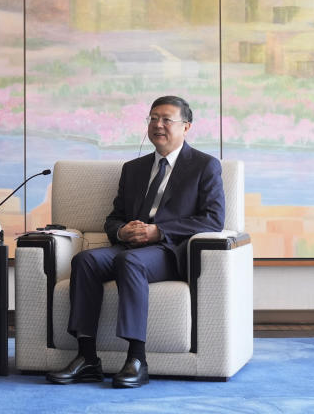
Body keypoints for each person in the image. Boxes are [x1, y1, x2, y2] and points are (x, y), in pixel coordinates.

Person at [46, 95, 225, 389]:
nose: (158, 125)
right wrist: (121, 231)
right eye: (153, 118)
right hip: (129, 247)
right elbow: (113, 218)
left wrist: (159, 232)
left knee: (129, 262)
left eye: (167, 119)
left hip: (169, 252)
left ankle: (137, 359)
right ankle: (87, 357)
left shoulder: (205, 166)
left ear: (186, 126)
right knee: (85, 260)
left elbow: (213, 220)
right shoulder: (134, 168)